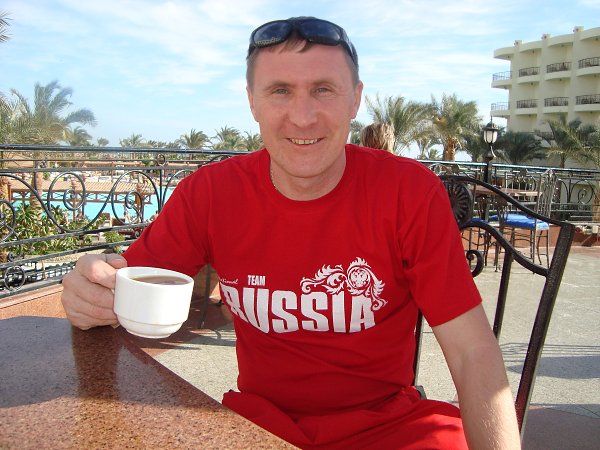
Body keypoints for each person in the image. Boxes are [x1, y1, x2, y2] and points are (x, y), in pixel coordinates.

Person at [61, 17, 520, 449]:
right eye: (280, 91)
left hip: (388, 426)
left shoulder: (409, 192)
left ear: (355, 99)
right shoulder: (211, 193)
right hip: (257, 424)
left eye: (323, 90)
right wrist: (90, 295)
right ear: (252, 101)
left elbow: (472, 352)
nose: (302, 117)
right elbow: (125, 289)